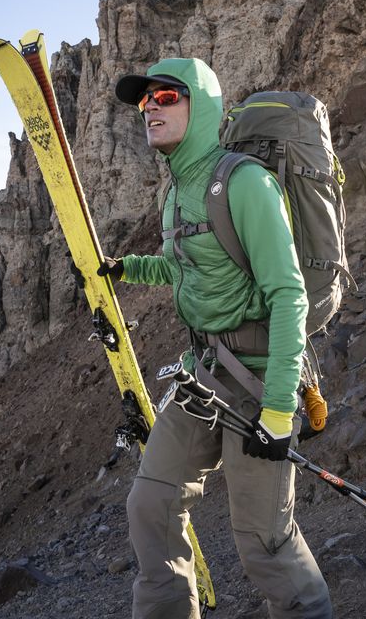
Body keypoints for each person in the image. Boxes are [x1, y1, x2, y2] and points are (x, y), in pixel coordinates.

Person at [103, 57, 332, 619]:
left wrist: (280, 410)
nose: (150, 109)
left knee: (264, 544)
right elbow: (187, 264)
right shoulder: (178, 190)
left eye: (165, 98)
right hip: (202, 375)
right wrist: (129, 268)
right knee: (150, 506)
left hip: (257, 380)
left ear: (199, 104)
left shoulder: (246, 183)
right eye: (144, 102)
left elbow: (289, 295)